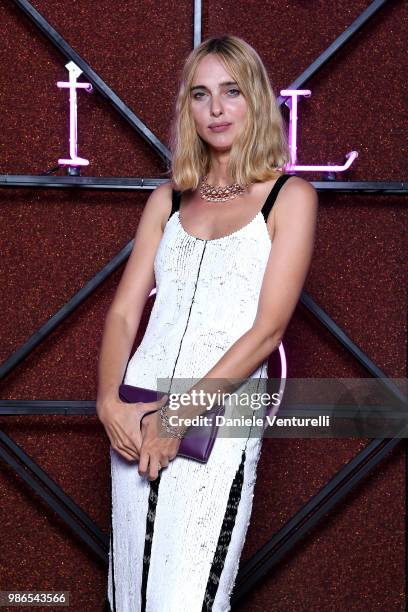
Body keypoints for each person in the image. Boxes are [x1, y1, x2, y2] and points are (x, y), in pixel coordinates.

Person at [97, 35, 318, 612]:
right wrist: (107, 401)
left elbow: (268, 330)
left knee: (185, 597)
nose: (216, 109)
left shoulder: (289, 198)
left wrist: (178, 415)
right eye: (201, 94)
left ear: (256, 101)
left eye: (231, 92)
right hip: (136, 412)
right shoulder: (167, 199)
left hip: (217, 417)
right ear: (188, 108)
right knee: (130, 597)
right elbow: (124, 311)